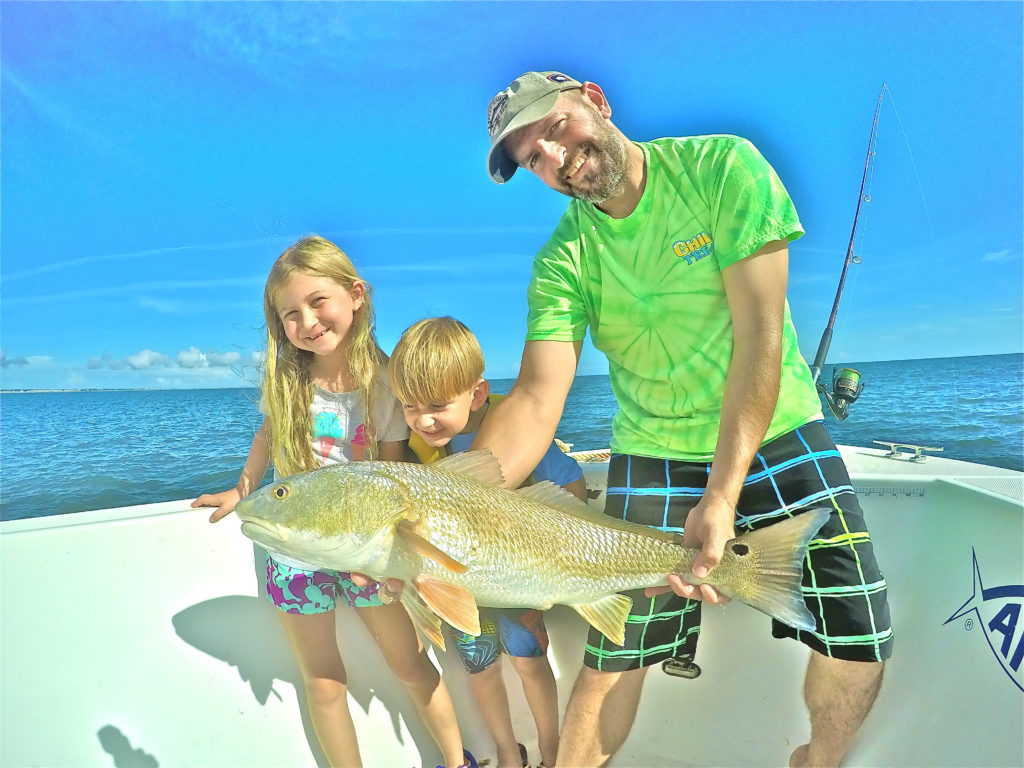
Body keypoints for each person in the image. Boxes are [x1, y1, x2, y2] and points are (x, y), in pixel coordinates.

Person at [473, 72, 892, 768]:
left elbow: (760, 339)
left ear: (595, 100)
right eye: (530, 160)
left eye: (553, 128)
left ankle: (817, 762)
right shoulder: (562, 260)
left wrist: (722, 496)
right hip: (653, 450)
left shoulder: (723, 166)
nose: (552, 157)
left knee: (859, 638)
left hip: (779, 428)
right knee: (613, 658)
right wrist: (452, 505)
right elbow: (536, 399)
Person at [192, 236, 477, 768]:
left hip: (371, 551)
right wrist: (242, 486)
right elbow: (267, 437)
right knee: (324, 680)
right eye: (290, 314)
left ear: (356, 295)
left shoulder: (389, 381)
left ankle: (458, 760)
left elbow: (394, 469)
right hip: (296, 557)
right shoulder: (287, 379)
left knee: (412, 665)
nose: (307, 321)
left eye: (318, 301)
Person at [389, 316, 587, 768]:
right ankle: (505, 751)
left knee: (530, 663)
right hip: (457, 586)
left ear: (477, 394)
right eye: (408, 406)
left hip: (519, 576)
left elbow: (571, 484)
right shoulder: (416, 455)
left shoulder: (516, 428)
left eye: (437, 404)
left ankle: (552, 749)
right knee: (480, 669)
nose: (423, 420)